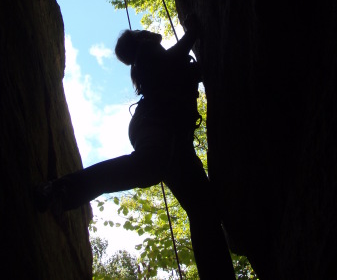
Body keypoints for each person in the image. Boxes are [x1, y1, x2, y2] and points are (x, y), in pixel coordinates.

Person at [36, 16, 235, 279]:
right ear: (139, 36)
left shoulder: (145, 57)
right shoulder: (146, 50)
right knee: (150, 166)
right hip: (159, 126)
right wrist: (193, 33)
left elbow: (171, 70)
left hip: (169, 134)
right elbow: (169, 62)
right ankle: (61, 190)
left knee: (204, 210)